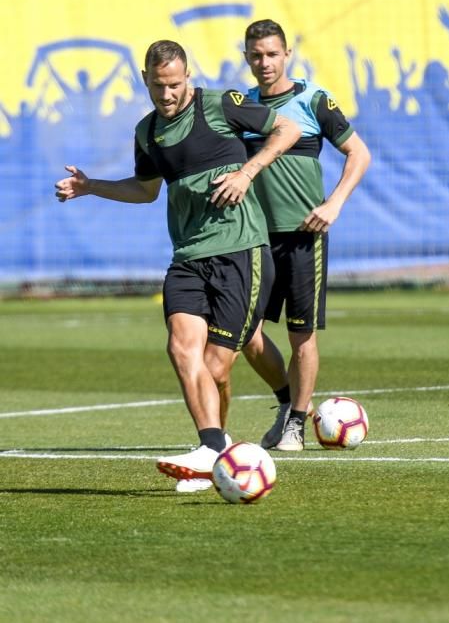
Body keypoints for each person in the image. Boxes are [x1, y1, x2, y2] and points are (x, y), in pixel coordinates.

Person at [54, 39, 301, 487]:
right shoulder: (147, 132)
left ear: (187, 76)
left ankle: (248, 430)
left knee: (217, 365)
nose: (166, 95)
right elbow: (146, 191)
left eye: (173, 85)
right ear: (145, 80)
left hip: (240, 251)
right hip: (187, 257)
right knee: (180, 348)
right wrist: (92, 187)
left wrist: (247, 172)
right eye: (156, 86)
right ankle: (212, 448)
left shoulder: (221, 105)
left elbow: (287, 129)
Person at [238, 19, 371, 451]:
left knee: (302, 336)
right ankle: (285, 403)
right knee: (245, 333)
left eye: (272, 54)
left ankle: (297, 422)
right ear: (247, 58)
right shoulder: (242, 107)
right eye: (256, 55)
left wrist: (333, 204)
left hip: (302, 236)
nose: (264, 63)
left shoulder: (313, 99)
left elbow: (359, 153)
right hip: (254, 238)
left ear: (287, 54)